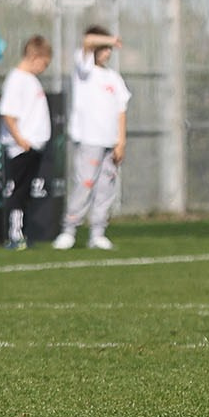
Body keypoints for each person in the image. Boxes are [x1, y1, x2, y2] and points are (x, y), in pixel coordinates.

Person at [57, 28, 129, 251]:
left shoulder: (114, 78)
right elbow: (87, 40)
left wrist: (121, 141)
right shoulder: (84, 69)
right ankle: (69, 230)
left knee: (105, 189)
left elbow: (121, 109)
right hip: (89, 139)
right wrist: (111, 39)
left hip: (110, 142)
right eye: (103, 49)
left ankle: (97, 233)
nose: (107, 52)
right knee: (85, 184)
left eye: (108, 49)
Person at [0, 36, 55, 249]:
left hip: (33, 146)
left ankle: (21, 231)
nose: (44, 68)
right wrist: (21, 140)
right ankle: (14, 233)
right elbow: (8, 114)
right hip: (22, 147)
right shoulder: (17, 79)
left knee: (25, 192)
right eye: (44, 63)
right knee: (18, 191)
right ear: (34, 56)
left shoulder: (30, 80)